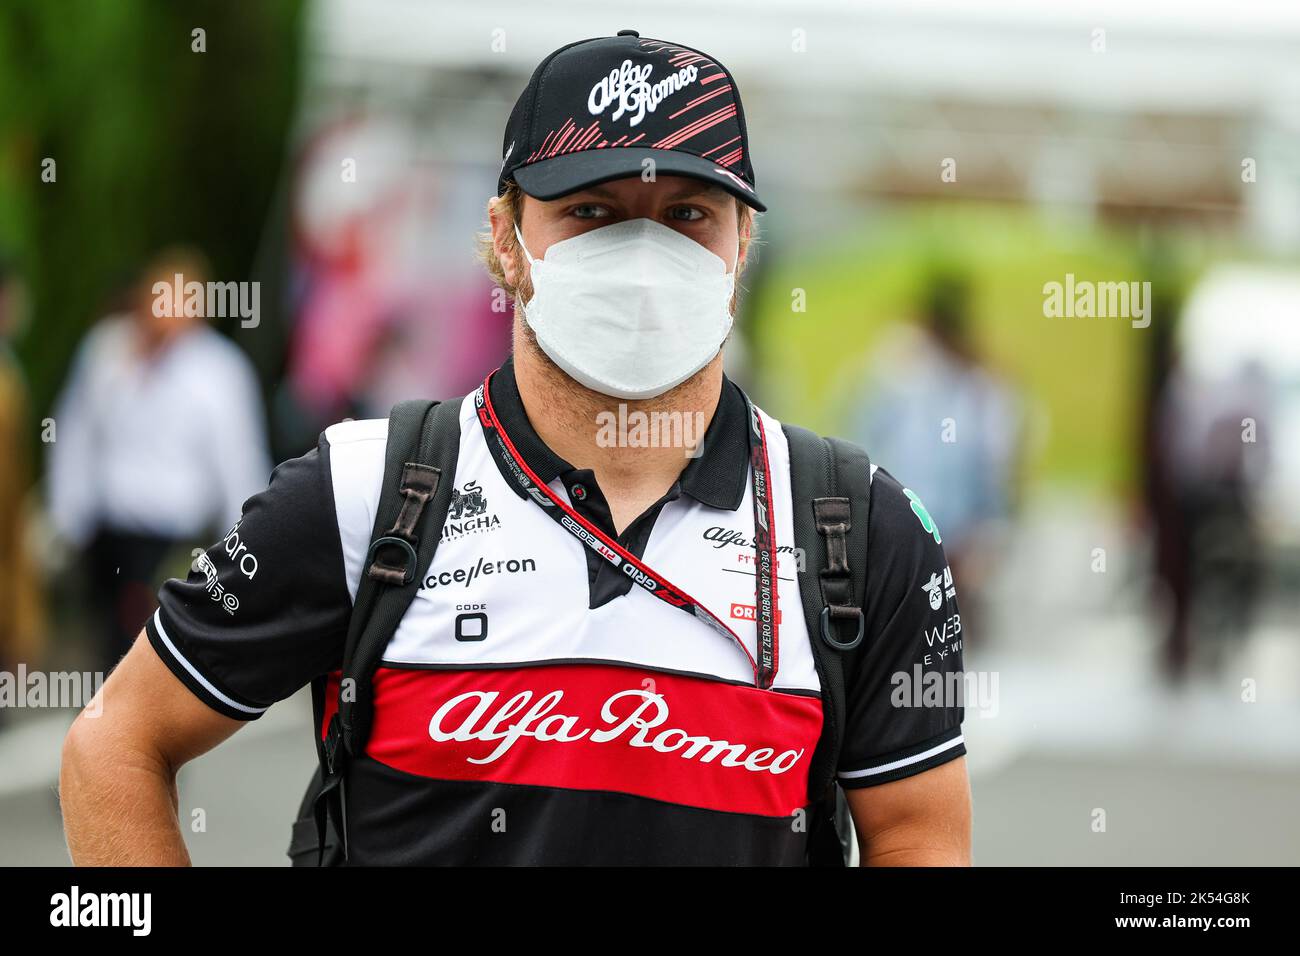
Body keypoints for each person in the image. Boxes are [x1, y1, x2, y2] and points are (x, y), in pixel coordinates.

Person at [61, 32, 971, 866]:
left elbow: (918, 837)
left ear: (744, 245)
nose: (644, 254)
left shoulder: (860, 527)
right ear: (505, 239)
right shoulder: (362, 492)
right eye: (591, 210)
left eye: (689, 214)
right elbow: (115, 742)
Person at [46, 247, 272, 674]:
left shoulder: (219, 371)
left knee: (154, 658)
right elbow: (74, 434)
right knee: (107, 654)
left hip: (173, 541)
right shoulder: (106, 350)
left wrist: (246, 550)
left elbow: (238, 463)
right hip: (109, 533)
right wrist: (66, 520)